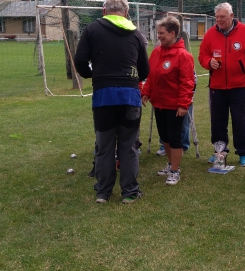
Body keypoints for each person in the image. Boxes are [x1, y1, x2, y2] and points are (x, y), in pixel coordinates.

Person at [74, 0, 149, 203]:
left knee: (105, 145)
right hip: (129, 95)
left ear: (104, 10)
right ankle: (130, 192)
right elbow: (145, 70)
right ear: (126, 12)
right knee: (129, 145)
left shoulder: (92, 29)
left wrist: (93, 75)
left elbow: (80, 60)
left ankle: (103, 192)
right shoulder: (136, 33)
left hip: (103, 95)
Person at [198, 2, 245, 167]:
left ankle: (243, 153)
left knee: (240, 121)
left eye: (223, 17)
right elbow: (202, 56)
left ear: (232, 16)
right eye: (217, 17)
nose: (219, 20)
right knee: (218, 121)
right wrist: (208, 62)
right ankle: (220, 151)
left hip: (239, 86)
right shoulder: (210, 34)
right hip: (216, 88)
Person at [142, 16, 194, 185]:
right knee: (165, 137)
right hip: (159, 104)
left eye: (162, 33)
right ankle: (171, 164)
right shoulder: (157, 52)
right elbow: (151, 76)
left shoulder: (183, 56)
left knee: (175, 138)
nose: (159, 36)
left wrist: (183, 104)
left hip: (175, 106)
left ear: (173, 33)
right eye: (158, 33)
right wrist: (146, 93)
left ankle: (175, 170)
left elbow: (187, 83)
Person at [156, 71, 197, 156]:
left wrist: (191, 94)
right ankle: (165, 145)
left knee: (183, 123)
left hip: (183, 95)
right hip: (165, 95)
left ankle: (183, 145)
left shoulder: (185, 57)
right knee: (165, 123)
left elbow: (192, 77)